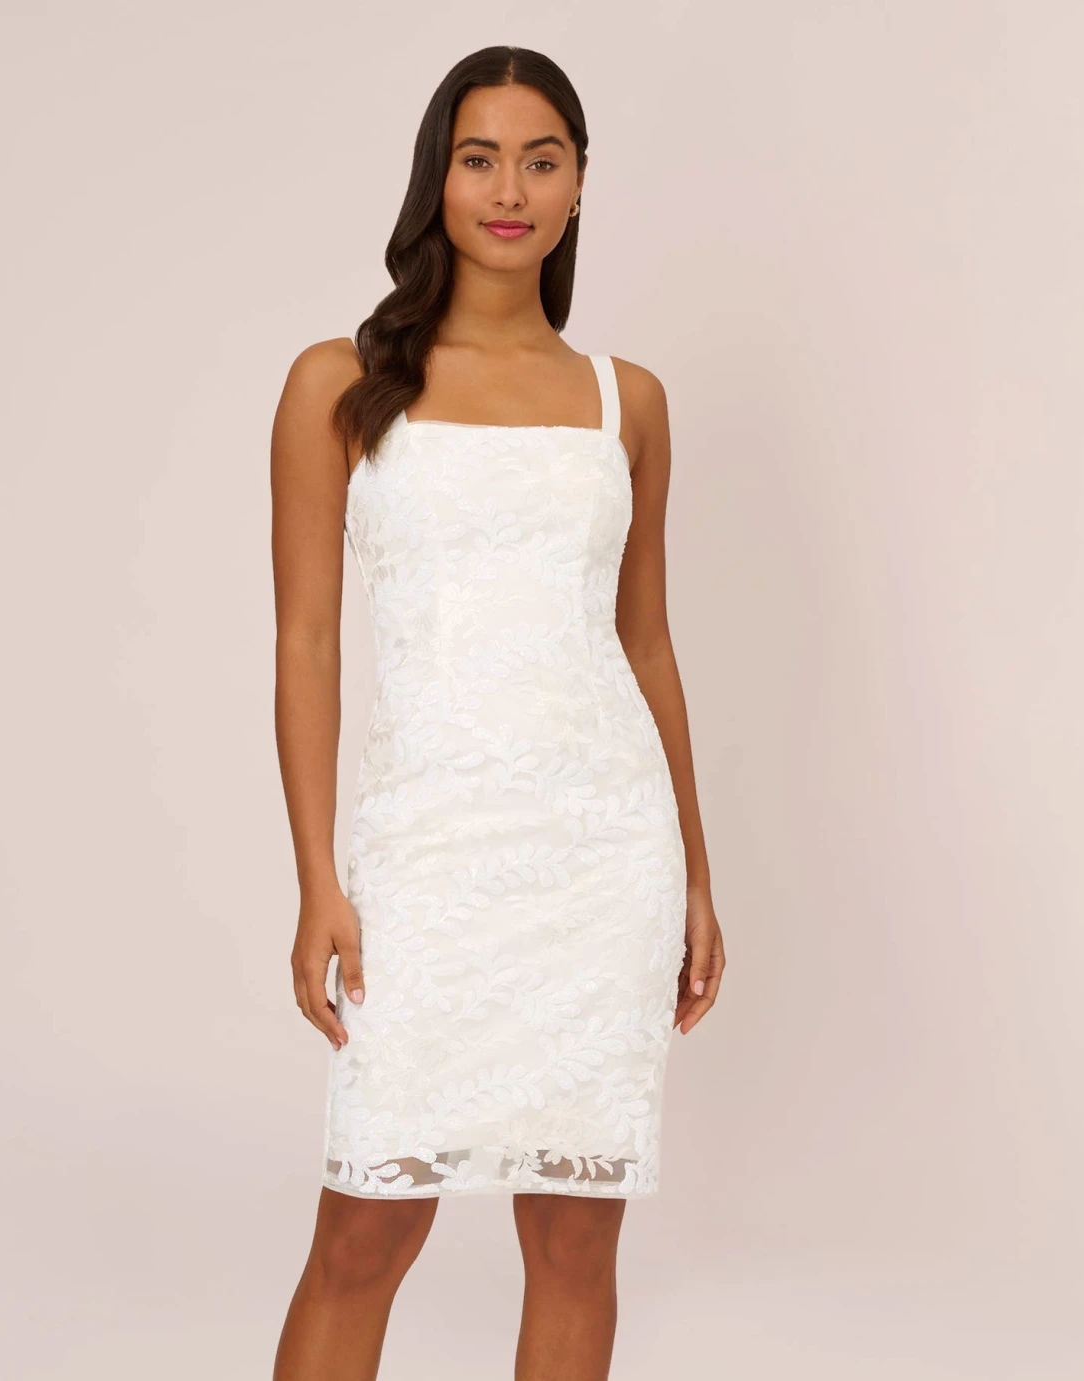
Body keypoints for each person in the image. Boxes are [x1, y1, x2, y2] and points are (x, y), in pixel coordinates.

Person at [268, 45, 724, 1381]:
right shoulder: (339, 383)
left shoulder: (627, 402)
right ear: (439, 178)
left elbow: (646, 644)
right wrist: (317, 880)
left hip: (601, 859)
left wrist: (696, 877)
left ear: (580, 184)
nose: (510, 191)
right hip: (428, 855)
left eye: (541, 160)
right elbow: (305, 645)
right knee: (361, 1236)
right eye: (480, 159)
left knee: (576, 1244)